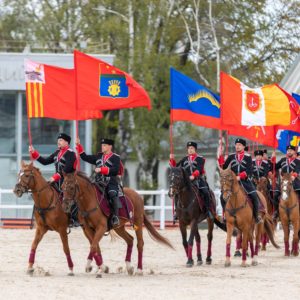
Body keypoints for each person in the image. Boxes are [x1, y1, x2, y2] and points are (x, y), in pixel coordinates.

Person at [29, 133, 79, 226]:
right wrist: (33, 152)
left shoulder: (71, 154)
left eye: (60, 140)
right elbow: (45, 162)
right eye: (58, 140)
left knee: (68, 197)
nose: (58, 142)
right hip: (57, 181)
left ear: (66, 142)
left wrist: (54, 177)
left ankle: (73, 218)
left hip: (69, 180)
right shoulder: (57, 153)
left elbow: (67, 169)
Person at [76, 137, 122, 226]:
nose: (102, 147)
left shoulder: (116, 157)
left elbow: (115, 170)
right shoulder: (98, 156)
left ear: (110, 146)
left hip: (110, 183)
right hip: (98, 182)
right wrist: (78, 145)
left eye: (104, 145)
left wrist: (101, 169)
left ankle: (115, 216)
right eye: (102, 145)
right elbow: (84, 157)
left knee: (112, 193)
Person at [218, 138, 262, 224]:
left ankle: (256, 216)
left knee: (254, 195)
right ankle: (224, 215)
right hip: (231, 182)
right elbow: (224, 167)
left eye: (239, 145)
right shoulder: (231, 156)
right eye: (236, 145)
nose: (237, 146)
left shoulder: (248, 157)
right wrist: (221, 157)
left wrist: (240, 176)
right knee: (222, 197)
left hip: (245, 181)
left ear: (243, 146)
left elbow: (249, 170)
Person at [169, 141, 213, 220]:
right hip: (186, 181)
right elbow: (175, 168)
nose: (190, 150)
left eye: (192, 148)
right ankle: (177, 211)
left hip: (198, 179)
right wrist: (172, 159)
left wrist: (193, 175)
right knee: (177, 192)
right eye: (189, 148)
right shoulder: (184, 159)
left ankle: (208, 211)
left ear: (195, 149)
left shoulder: (200, 159)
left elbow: (199, 169)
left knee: (205, 192)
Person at [270, 145, 300, 210]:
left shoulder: (297, 161)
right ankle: (276, 212)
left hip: (294, 181)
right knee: (275, 195)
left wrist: (293, 175)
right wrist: (273, 160)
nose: (289, 152)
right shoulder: (283, 160)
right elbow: (273, 168)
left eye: (291, 150)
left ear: (294, 152)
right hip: (283, 182)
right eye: (288, 150)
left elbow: (297, 169)